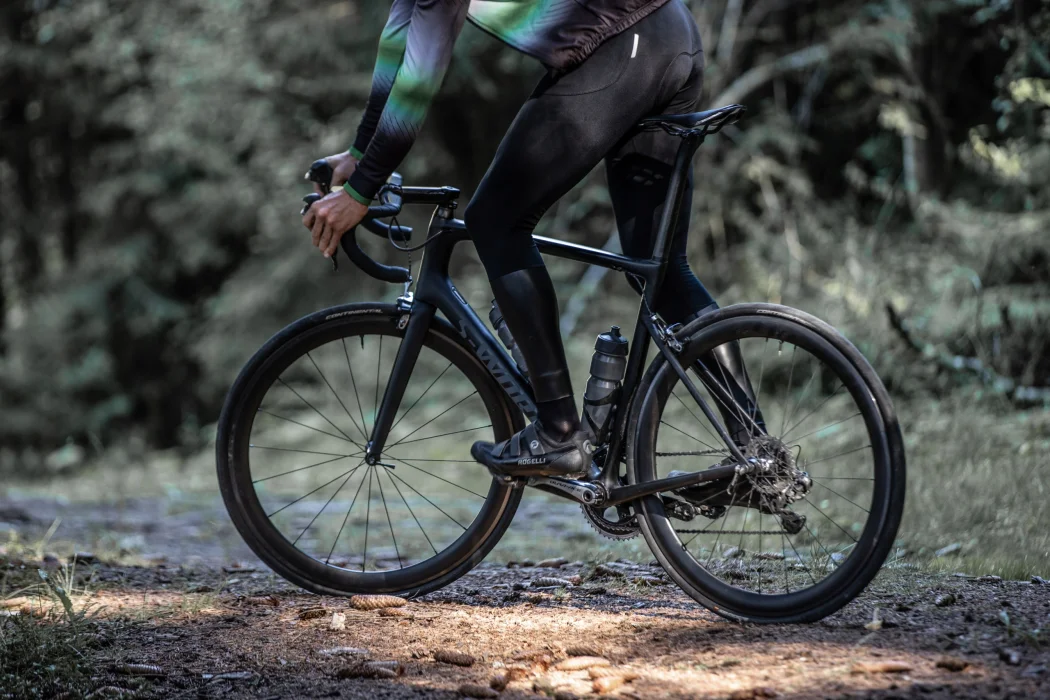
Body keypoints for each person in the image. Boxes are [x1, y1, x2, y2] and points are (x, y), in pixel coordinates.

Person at [302, 0, 762, 480]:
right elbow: (399, 43)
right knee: (659, 269)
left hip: (624, 46)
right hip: (667, 34)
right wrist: (360, 154)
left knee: (495, 220)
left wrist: (361, 191)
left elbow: (421, 73)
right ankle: (756, 456)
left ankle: (558, 433)